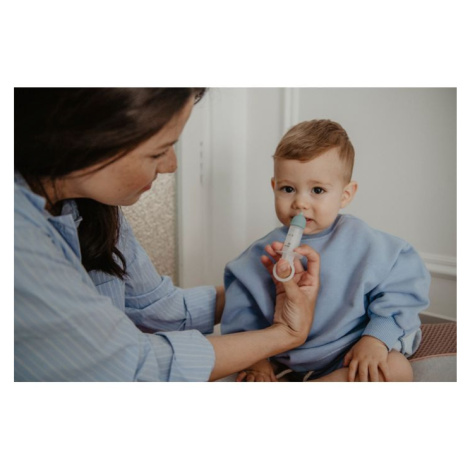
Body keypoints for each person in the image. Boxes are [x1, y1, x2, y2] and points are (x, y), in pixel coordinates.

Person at [14, 88, 320, 382]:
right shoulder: (19, 240)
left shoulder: (90, 208)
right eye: (159, 151)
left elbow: (155, 306)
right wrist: (285, 334)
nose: (171, 166)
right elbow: (134, 370)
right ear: (86, 135)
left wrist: (260, 288)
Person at [221, 119, 431, 382]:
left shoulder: (367, 244)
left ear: (345, 195)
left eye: (317, 190)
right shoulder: (261, 255)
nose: (300, 202)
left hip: (349, 353)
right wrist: (257, 361)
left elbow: (401, 294)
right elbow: (242, 312)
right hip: (282, 357)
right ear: (274, 187)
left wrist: (375, 339)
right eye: (288, 189)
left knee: (396, 368)